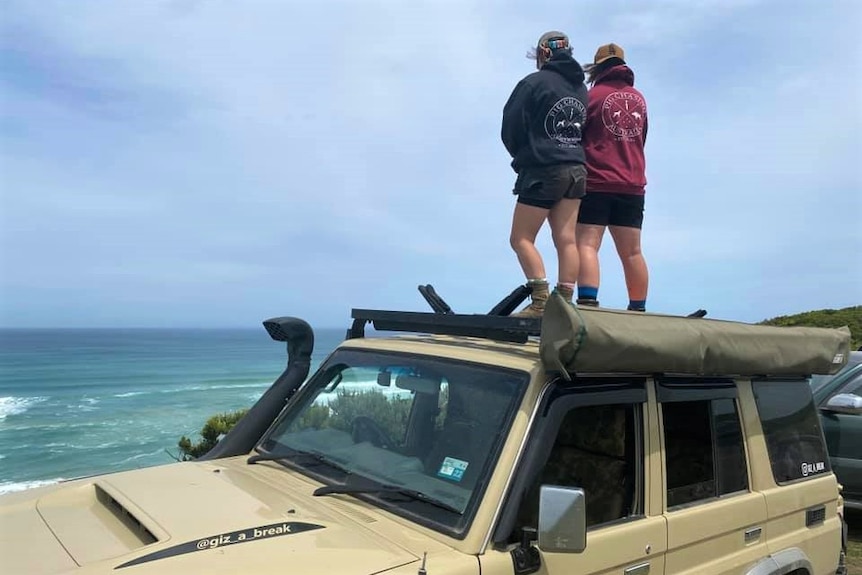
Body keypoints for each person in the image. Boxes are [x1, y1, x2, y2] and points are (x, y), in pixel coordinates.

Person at [501, 31, 589, 317]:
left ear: (542, 54)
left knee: (521, 238)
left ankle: (540, 302)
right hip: (576, 169)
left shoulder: (533, 83)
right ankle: (564, 303)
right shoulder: (580, 89)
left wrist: (524, 157)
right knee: (566, 238)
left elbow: (510, 128)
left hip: (543, 170)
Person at [575, 43, 650, 312]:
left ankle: (587, 306)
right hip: (632, 184)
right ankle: (638, 310)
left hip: (596, 181)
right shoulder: (640, 99)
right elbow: (642, 138)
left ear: (597, 68)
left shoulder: (590, 97)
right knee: (632, 252)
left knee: (586, 244)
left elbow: (577, 137)